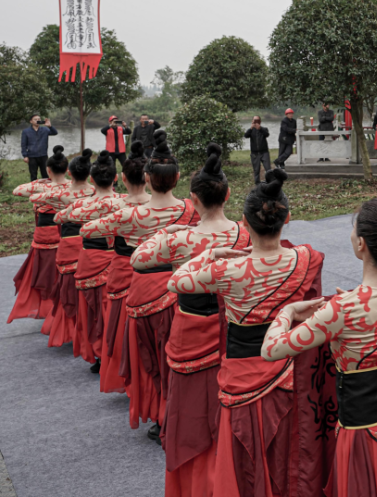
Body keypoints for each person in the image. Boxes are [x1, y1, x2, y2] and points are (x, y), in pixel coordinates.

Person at [261, 190, 377, 497]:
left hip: (364, 431)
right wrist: (343, 308)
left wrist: (288, 310)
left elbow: (271, 349)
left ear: (361, 243)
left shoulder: (342, 309)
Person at [167, 168, 325, 497]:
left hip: (241, 373)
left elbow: (175, 282)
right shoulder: (307, 258)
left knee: (244, 457)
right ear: (288, 217)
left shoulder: (227, 270)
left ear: (244, 221)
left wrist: (210, 254)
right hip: (288, 369)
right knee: (287, 450)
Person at [132, 144, 251, 496]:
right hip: (232, 326)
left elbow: (137, 261)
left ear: (193, 199)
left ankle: (191, 467)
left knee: (187, 401)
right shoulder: (244, 233)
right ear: (227, 195)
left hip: (189, 327)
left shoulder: (180, 239)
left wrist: (163, 235)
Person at [81, 130, 200, 439]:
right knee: (178, 354)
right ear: (176, 179)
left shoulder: (130, 215)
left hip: (144, 290)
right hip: (182, 288)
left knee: (150, 358)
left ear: (147, 178)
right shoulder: (189, 209)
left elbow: (86, 229)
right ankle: (182, 414)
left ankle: (160, 414)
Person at [54, 150, 121, 374]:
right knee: (115, 309)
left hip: (91, 259)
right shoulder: (125, 203)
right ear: (116, 178)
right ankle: (118, 354)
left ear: (92, 180)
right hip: (118, 259)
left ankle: (100, 354)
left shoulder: (83, 205)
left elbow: (58, 218)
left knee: (93, 310)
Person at [96, 141, 151, 395]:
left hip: (123, 266)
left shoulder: (115, 206)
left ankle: (123, 370)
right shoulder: (166, 206)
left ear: (122, 178)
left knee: (119, 321)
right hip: (155, 272)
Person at [40, 149, 96, 356]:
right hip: (92, 243)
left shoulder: (60, 194)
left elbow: (29, 196)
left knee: (68, 289)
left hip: (69, 242)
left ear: (70, 173)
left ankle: (72, 329)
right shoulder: (97, 194)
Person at [8, 146, 69, 324]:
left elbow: (17, 190)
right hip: (66, 235)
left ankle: (49, 306)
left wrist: (42, 181)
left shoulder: (41, 187)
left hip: (45, 235)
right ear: (67, 170)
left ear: (48, 170)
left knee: (45, 273)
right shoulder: (73, 187)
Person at [20, 114, 57, 181]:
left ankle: (46, 189)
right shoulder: (26, 131)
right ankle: (34, 189)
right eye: (35, 119)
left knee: (45, 174)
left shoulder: (45, 129)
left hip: (43, 155)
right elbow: (23, 144)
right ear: (31, 121)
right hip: (32, 156)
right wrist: (25, 155)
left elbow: (55, 133)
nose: (37, 120)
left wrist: (50, 126)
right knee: (33, 174)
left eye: (39, 119)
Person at [244, 115, 271, 183]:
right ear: (252, 121)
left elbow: (267, 134)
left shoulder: (264, 129)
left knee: (268, 169)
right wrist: (251, 127)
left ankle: (270, 182)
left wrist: (260, 128)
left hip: (264, 152)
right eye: (254, 120)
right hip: (254, 153)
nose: (256, 122)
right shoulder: (251, 130)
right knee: (256, 170)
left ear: (260, 122)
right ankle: (257, 184)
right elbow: (246, 135)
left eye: (257, 120)